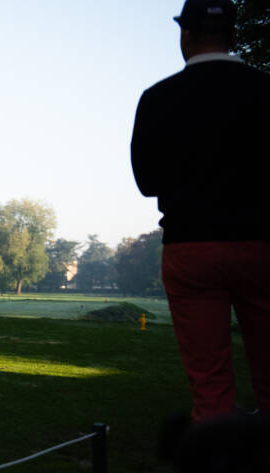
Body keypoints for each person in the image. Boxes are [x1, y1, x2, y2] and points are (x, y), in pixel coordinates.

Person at [131, 0, 270, 422]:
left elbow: (147, 182)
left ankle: (217, 448)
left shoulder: (158, 99)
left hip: (191, 246)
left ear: (185, 35)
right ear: (234, 36)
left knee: (209, 384)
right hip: (261, 245)